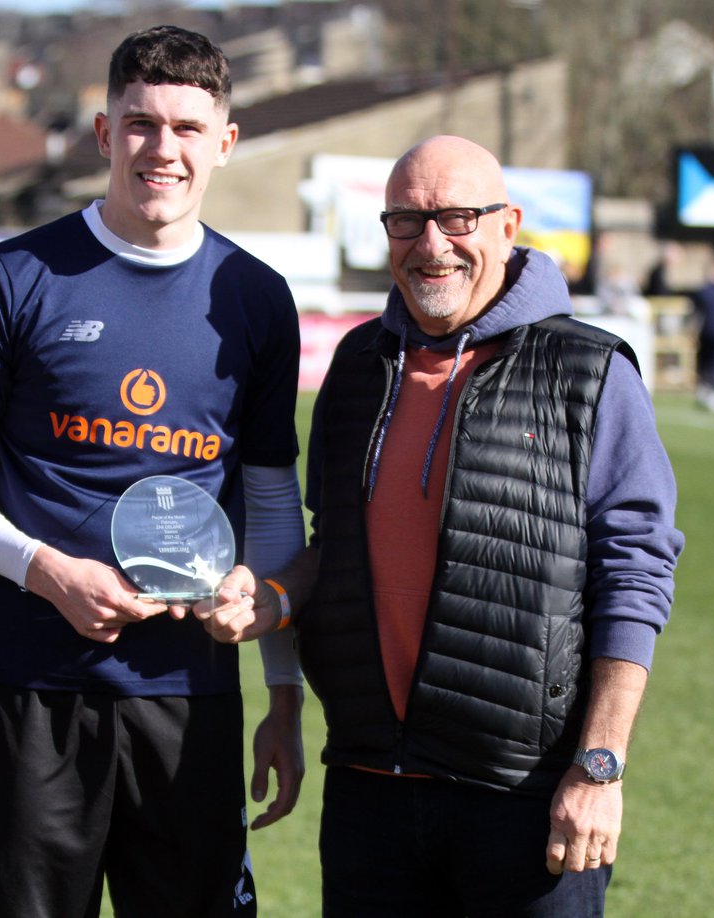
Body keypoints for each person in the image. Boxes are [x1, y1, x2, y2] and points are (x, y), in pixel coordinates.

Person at [202, 135, 683, 914]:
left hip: (527, 798)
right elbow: (340, 551)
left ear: (508, 224)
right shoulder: (359, 367)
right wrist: (278, 598)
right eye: (406, 221)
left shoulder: (591, 372)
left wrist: (599, 767)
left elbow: (636, 571)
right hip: (369, 794)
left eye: (458, 218)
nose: (432, 245)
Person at [0, 25, 305, 918]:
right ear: (102, 133)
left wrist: (282, 691)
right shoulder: (17, 276)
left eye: (188, 129)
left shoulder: (255, 297)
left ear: (225, 143)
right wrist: (44, 572)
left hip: (193, 696)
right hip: (34, 689)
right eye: (140, 124)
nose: (162, 150)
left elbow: (274, 508)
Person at [690, 247, 714, 411]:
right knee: (709, 363)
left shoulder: (706, 290)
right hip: (709, 331)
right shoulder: (707, 290)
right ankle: (708, 391)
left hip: (709, 331)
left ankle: (709, 391)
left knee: (711, 363)